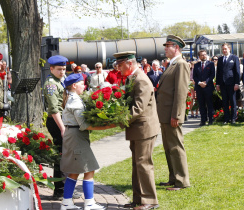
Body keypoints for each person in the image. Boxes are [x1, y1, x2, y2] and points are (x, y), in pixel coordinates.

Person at [60, 73, 114, 210]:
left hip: (74, 136)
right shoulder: (75, 101)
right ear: (74, 85)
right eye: (82, 83)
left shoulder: (73, 98)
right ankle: (89, 203)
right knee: (90, 168)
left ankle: (66, 203)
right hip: (76, 137)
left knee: (74, 171)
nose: (84, 86)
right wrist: (108, 126)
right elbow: (84, 125)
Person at [113, 51, 159, 210]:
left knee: (144, 164)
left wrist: (120, 120)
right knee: (137, 164)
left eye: (120, 65)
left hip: (144, 129)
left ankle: (150, 201)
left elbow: (138, 107)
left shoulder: (141, 80)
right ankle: (138, 199)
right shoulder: (133, 78)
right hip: (138, 128)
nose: (118, 68)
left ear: (129, 63)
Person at [156, 35, 190, 191]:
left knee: (176, 147)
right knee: (169, 147)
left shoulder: (181, 64)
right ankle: (173, 177)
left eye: (167, 45)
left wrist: (176, 115)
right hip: (165, 114)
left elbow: (181, 92)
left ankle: (182, 181)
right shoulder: (172, 64)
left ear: (176, 47)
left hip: (171, 114)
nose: (165, 48)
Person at [43, 55, 68, 199]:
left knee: (65, 155)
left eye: (64, 69)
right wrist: (63, 128)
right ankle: (59, 190)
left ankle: (64, 188)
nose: (62, 72)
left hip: (62, 120)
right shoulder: (51, 84)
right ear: (51, 69)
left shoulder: (59, 81)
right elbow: (54, 109)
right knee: (61, 156)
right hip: (57, 121)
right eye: (59, 69)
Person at [216, 43, 240, 124]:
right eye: (223, 49)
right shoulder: (220, 59)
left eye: (225, 49)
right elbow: (218, 73)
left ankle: (233, 118)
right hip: (222, 84)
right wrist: (217, 84)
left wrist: (237, 83)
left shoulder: (234, 58)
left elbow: (237, 71)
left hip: (232, 83)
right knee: (225, 101)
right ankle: (226, 119)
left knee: (233, 101)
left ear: (229, 49)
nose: (224, 50)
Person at [193, 50, 215, 126]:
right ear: (199, 56)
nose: (204, 56)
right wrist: (199, 83)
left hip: (208, 87)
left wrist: (206, 82)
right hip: (199, 88)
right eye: (202, 55)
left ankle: (211, 120)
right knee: (201, 104)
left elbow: (212, 75)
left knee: (209, 104)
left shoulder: (211, 64)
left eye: (205, 54)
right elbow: (194, 76)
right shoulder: (196, 65)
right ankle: (203, 120)